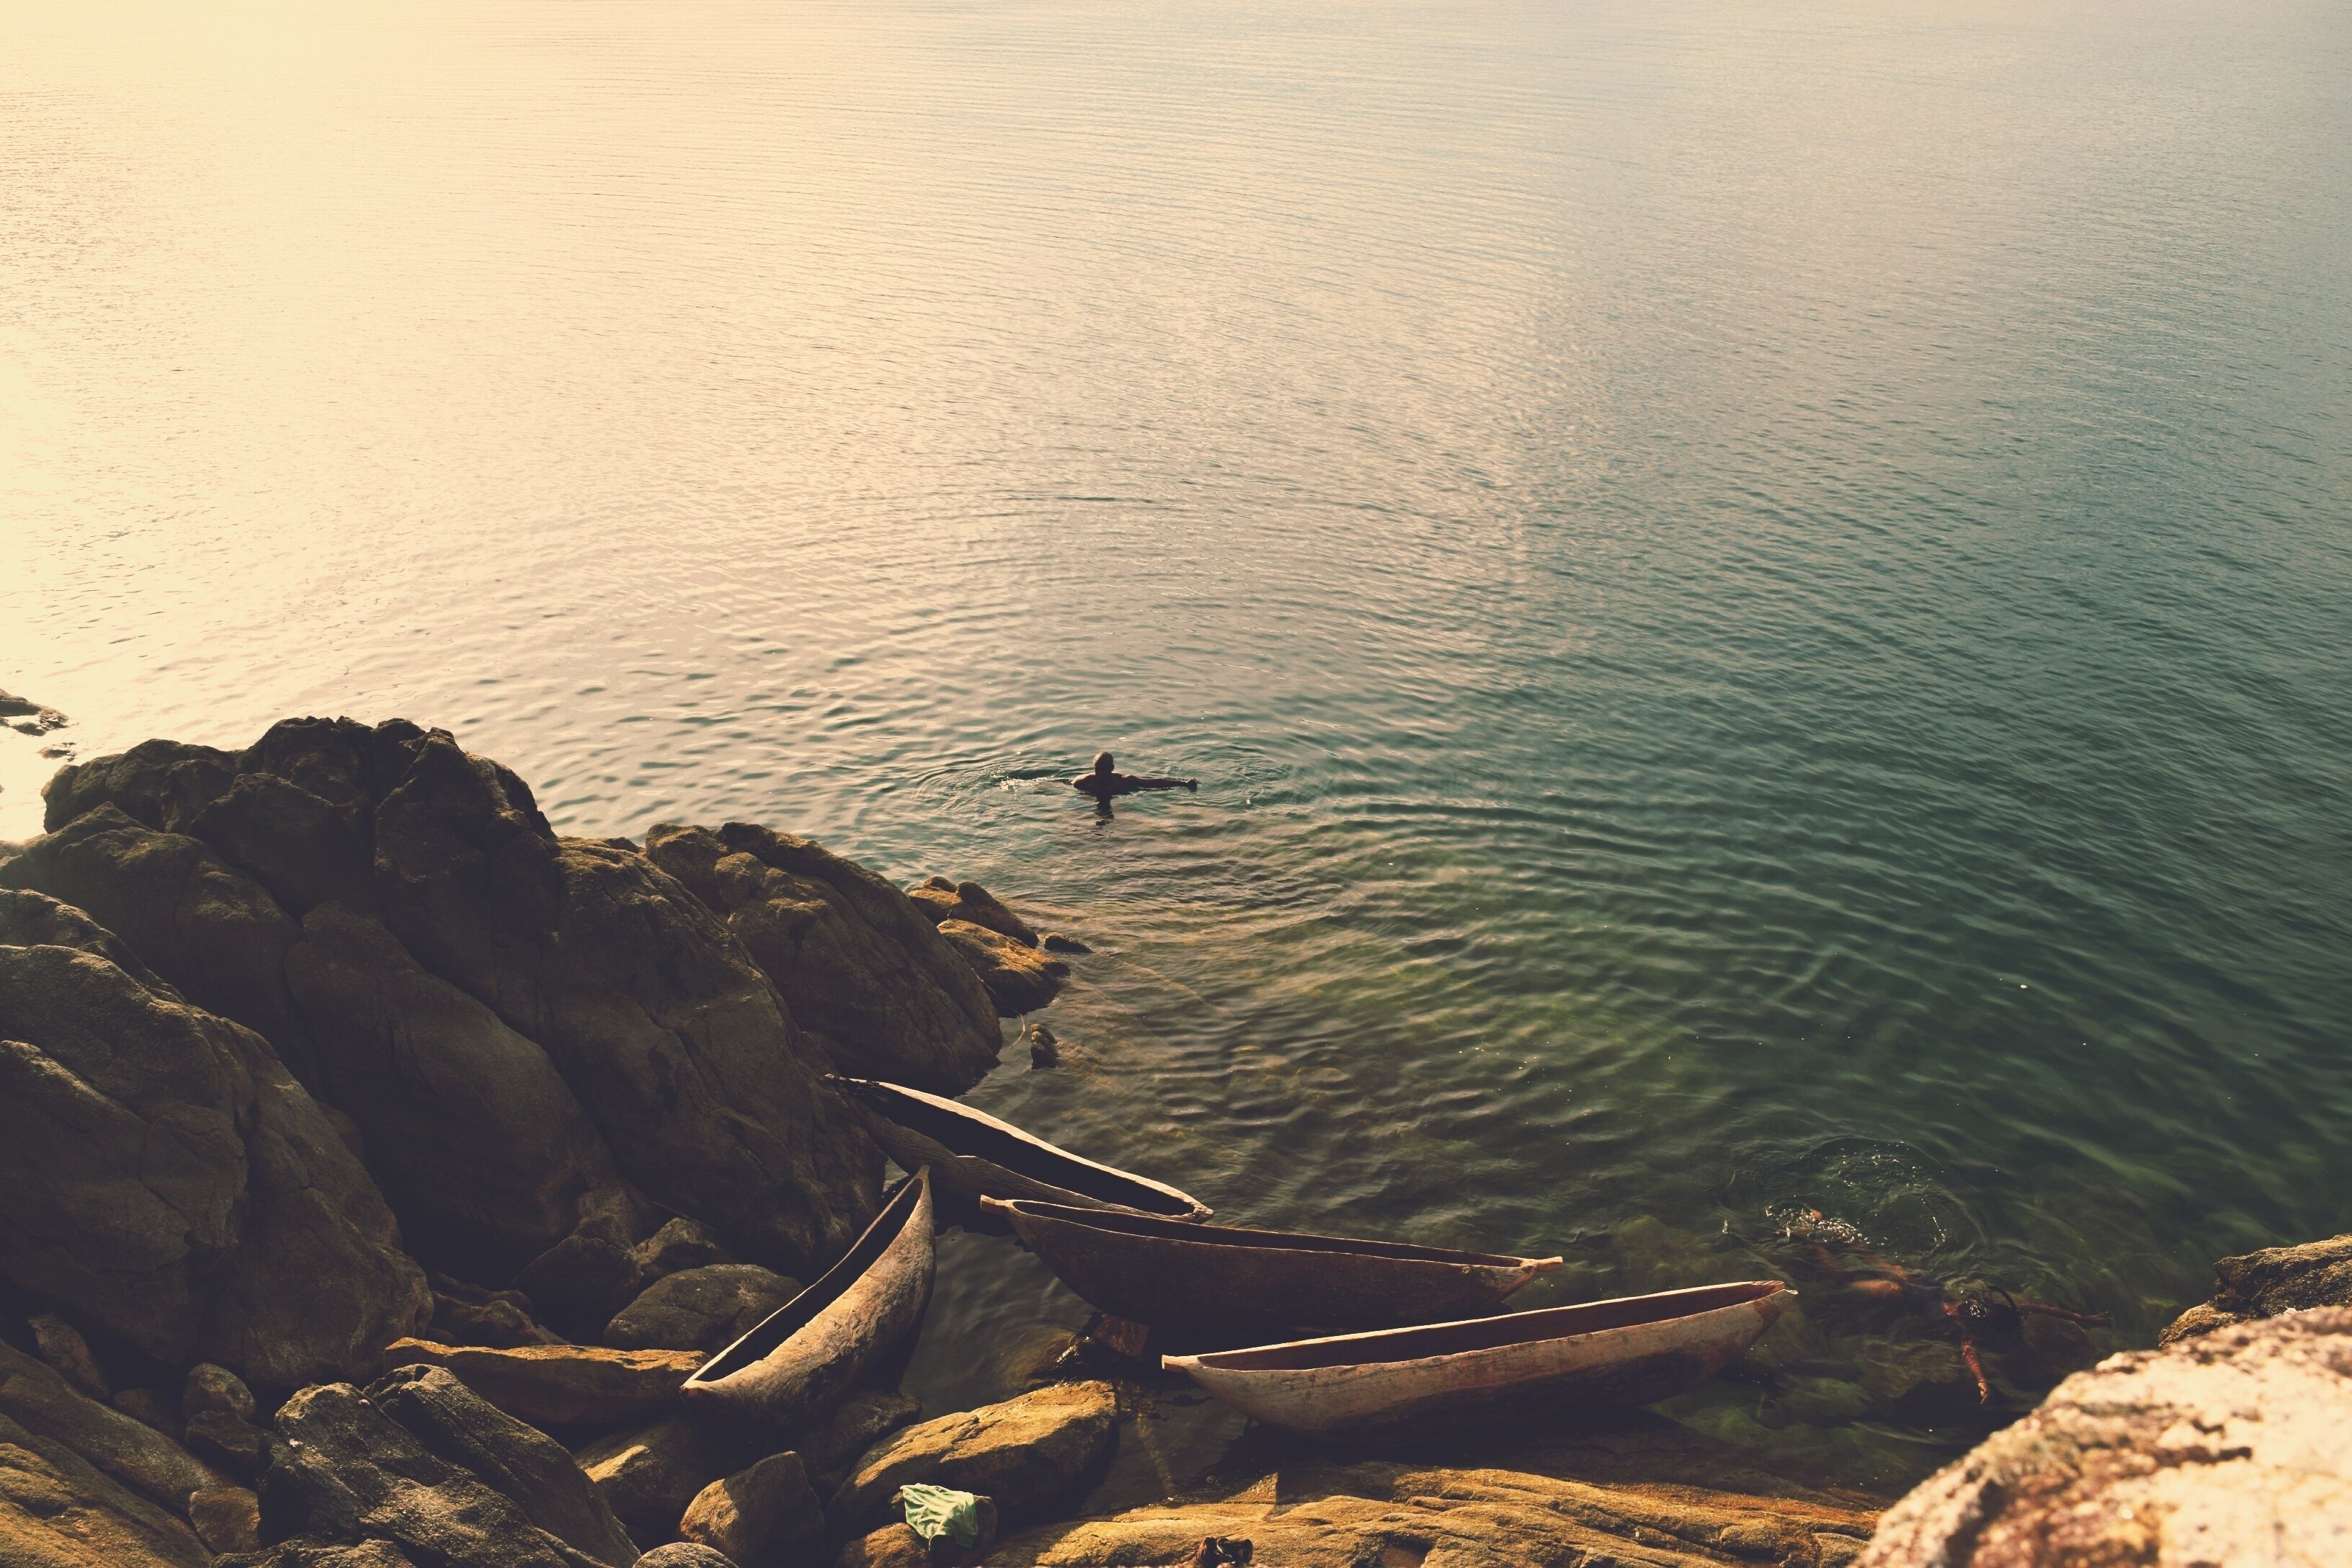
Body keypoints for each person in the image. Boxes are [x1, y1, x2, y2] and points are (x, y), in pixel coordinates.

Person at [1071, 752, 1195, 802]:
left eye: (1105, 769)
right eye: (1098, 769)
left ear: (1112, 768)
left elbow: (1155, 783)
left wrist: (1183, 784)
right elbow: (1065, 785)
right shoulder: (1083, 782)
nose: (1101, 773)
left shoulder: (1123, 781)